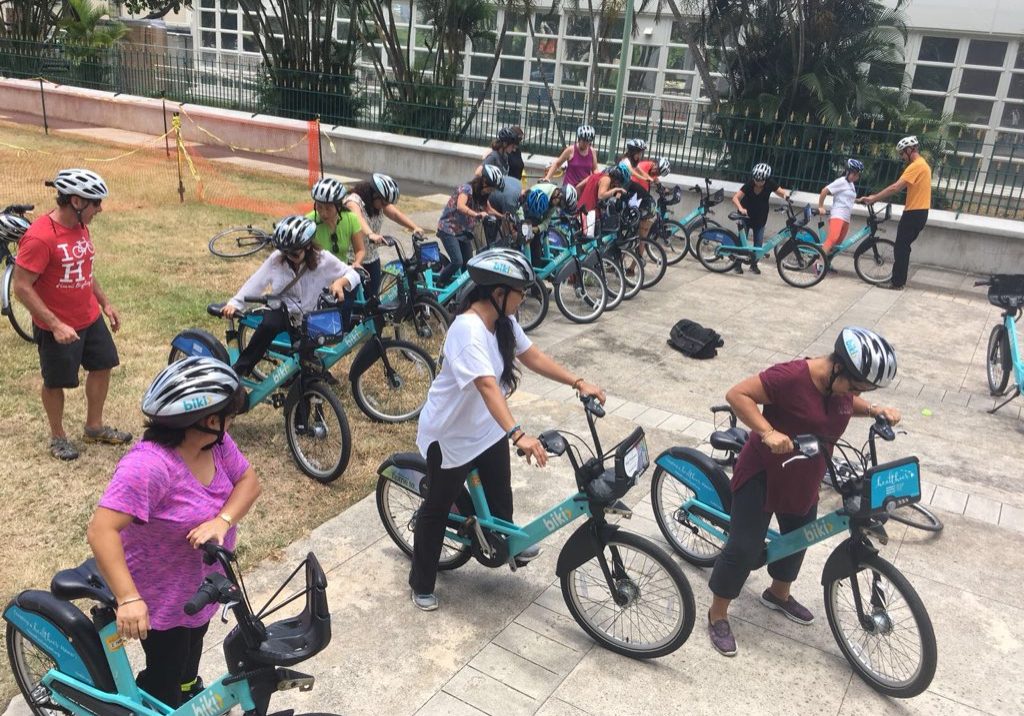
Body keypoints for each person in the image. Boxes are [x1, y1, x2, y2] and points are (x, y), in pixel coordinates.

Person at [409, 249, 606, 611]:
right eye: (521, 292)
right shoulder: (467, 330)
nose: (525, 298)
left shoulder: (502, 323)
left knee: (502, 496)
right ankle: (421, 582)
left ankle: (504, 543)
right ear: (498, 294)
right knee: (436, 510)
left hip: (486, 429)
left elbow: (532, 356)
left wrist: (577, 381)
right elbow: (486, 385)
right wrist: (519, 434)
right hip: (450, 437)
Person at [706, 327, 901, 657]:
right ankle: (718, 614)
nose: (853, 393)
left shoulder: (839, 387)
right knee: (744, 545)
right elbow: (737, 395)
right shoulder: (791, 376)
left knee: (800, 537)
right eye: (854, 385)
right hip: (764, 471)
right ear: (837, 367)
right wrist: (767, 431)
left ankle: (778, 594)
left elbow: (846, 399)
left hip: (805, 473)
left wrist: (873, 409)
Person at [87, 357, 260, 707]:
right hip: (160, 595)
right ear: (211, 420)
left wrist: (221, 521)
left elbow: (249, 482)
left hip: (201, 586)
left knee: (190, 657)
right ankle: (152, 701)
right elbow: (101, 530)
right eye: (228, 417)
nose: (230, 425)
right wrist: (129, 599)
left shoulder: (216, 444)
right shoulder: (149, 466)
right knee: (165, 672)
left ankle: (185, 690)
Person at [13, 168, 131, 461]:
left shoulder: (80, 227)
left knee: (103, 365)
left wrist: (104, 303)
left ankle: (94, 426)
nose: (100, 209)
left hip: (89, 317)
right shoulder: (40, 238)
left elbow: (84, 269)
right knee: (55, 382)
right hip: (57, 324)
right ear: (77, 202)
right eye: (96, 202)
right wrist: (55, 325)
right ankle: (58, 436)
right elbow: (21, 287)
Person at [221, 215, 360, 377]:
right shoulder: (276, 260)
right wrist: (235, 303)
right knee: (268, 326)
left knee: (307, 357)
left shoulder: (323, 259)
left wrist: (340, 283)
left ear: (307, 246)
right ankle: (240, 370)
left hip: (308, 315)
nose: (288, 257)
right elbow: (255, 283)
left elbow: (353, 274)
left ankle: (308, 379)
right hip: (281, 307)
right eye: (284, 252)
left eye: (294, 253)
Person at [858, 136, 931, 290]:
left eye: (902, 153)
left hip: (914, 212)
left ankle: (897, 283)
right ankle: (899, 281)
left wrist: (874, 198)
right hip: (919, 212)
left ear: (910, 150)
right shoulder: (923, 165)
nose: (901, 157)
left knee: (901, 247)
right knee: (903, 247)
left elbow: (895, 188)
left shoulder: (916, 166)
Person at [344, 174, 425, 301]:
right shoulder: (353, 201)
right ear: (374, 194)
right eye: (383, 202)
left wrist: (414, 227)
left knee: (372, 300)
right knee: (349, 300)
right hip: (352, 259)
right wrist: (370, 234)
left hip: (372, 258)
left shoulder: (380, 203)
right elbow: (358, 218)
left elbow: (396, 214)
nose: (384, 206)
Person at [307, 177, 366, 328]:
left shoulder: (351, 219)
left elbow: (360, 250)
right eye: (319, 207)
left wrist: (356, 263)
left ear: (339, 206)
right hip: (317, 275)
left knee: (343, 315)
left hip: (341, 272)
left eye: (328, 208)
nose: (323, 213)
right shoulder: (309, 222)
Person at [436, 166, 505, 284]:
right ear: (484, 181)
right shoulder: (467, 189)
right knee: (457, 261)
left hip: (464, 233)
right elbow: (460, 206)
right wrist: (476, 214)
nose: (492, 191)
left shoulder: (481, 195)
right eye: (491, 188)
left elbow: (489, 209)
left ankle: (460, 294)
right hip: (448, 229)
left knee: (468, 266)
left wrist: (503, 216)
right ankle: (439, 284)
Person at [730, 163, 790, 275]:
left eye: (761, 181)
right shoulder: (749, 184)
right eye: (756, 180)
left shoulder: (770, 183)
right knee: (741, 243)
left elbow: (779, 191)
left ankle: (754, 265)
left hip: (760, 218)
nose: (758, 183)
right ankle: (737, 265)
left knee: (758, 244)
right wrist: (741, 208)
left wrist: (786, 196)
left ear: (766, 179)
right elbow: (735, 198)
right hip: (745, 217)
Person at [817, 159, 864, 273]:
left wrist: (859, 200)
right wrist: (821, 206)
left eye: (857, 175)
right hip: (837, 215)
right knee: (832, 239)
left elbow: (847, 198)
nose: (855, 177)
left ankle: (827, 263)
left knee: (837, 244)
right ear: (847, 172)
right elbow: (824, 191)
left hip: (846, 218)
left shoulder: (851, 185)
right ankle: (818, 264)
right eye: (854, 173)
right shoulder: (841, 181)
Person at [576, 164, 629, 237]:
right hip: (590, 216)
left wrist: (581, 201)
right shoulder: (607, 179)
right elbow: (601, 196)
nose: (618, 186)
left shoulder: (595, 175)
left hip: (581, 212)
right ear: (617, 179)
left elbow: (578, 187)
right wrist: (616, 189)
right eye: (619, 184)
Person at [522, 182, 564, 268]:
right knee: (526, 238)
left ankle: (536, 266)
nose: (555, 205)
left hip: (538, 217)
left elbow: (546, 221)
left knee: (536, 244)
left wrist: (538, 228)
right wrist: (525, 227)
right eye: (555, 203)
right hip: (526, 211)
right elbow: (521, 215)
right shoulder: (532, 195)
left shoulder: (554, 202)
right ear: (554, 196)